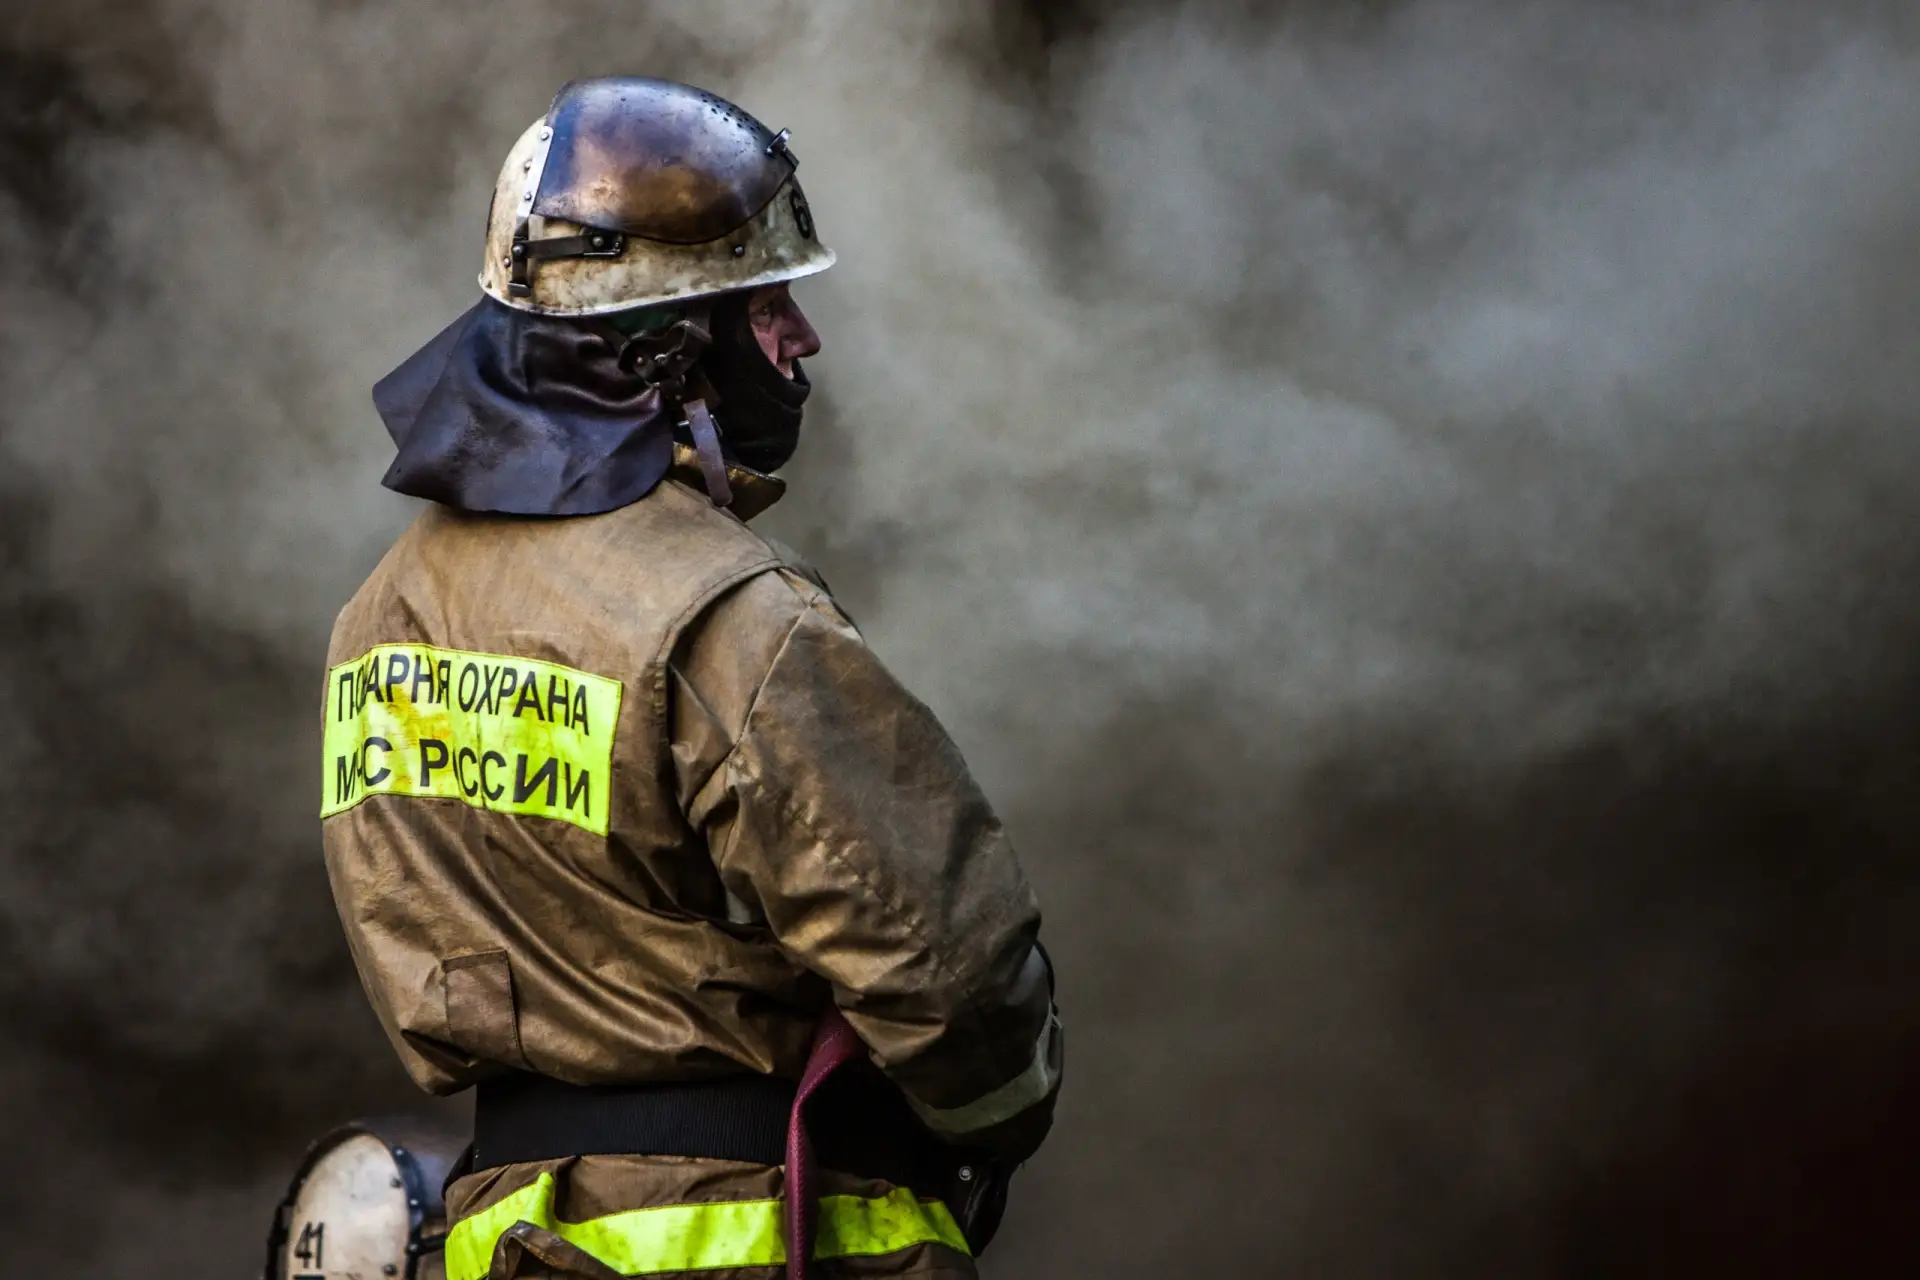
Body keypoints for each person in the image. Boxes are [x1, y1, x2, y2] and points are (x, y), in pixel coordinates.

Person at [320, 76, 1063, 1280]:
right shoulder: (729, 618)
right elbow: (950, 975)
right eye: (766, 303)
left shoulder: (378, 621)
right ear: (667, 342)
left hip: (504, 1237)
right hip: (762, 1231)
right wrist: (995, 1114)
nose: (801, 338)